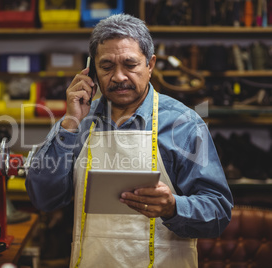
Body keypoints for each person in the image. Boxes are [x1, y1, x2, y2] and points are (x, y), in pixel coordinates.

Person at [26, 14, 233, 268]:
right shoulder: (77, 123)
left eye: (130, 64)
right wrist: (69, 123)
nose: (119, 77)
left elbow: (219, 212)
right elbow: (43, 199)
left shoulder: (184, 124)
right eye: (106, 66)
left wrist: (173, 207)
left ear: (150, 65)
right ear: (91, 71)